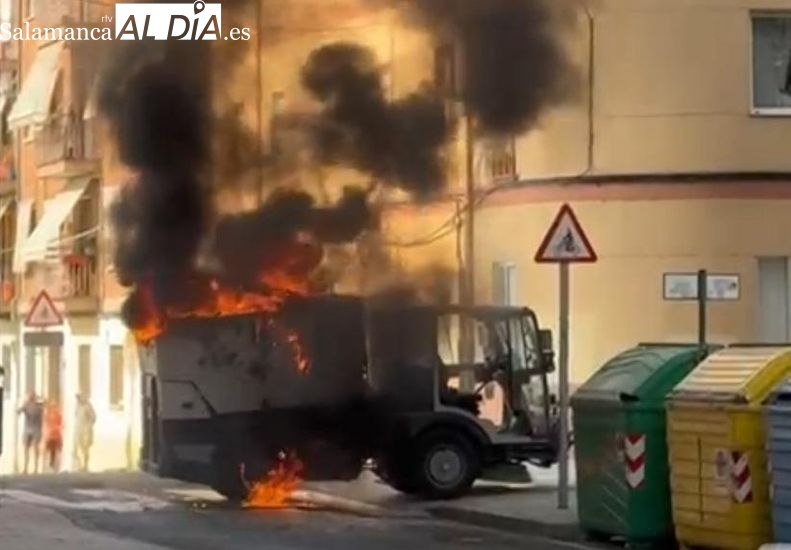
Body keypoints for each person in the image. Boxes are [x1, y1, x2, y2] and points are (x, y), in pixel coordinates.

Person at [17, 393, 43, 475]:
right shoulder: (28, 406)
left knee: (33, 449)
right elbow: (18, 411)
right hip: (29, 429)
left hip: (34, 429)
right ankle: (26, 468)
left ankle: (34, 468)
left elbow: (18, 411)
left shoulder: (38, 406)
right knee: (27, 449)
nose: (31, 399)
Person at [73, 393, 96, 472]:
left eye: (79, 398)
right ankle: (80, 465)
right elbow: (76, 416)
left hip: (86, 430)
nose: (78, 400)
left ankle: (85, 465)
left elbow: (93, 418)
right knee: (78, 448)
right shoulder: (78, 407)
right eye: (77, 399)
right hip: (79, 430)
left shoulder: (88, 407)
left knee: (85, 449)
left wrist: (88, 425)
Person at [43, 399, 63, 472]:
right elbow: (46, 422)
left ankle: (54, 465)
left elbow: (60, 423)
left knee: (54, 451)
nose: (53, 407)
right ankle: (50, 465)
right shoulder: (49, 414)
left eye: (54, 406)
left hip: (55, 435)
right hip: (51, 435)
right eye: (52, 406)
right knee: (51, 451)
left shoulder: (56, 413)